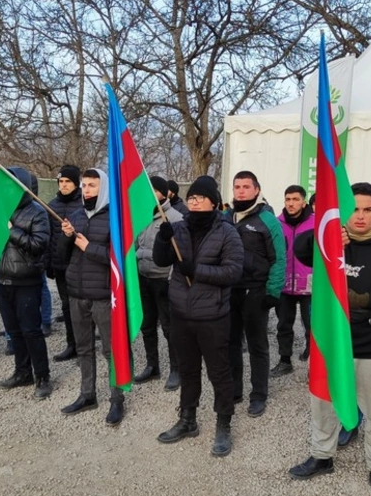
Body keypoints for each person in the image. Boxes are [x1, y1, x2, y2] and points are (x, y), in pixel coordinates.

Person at [288, 182, 371, 496]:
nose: (360, 216)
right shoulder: (333, 241)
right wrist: (324, 238)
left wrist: (361, 300)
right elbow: (301, 252)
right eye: (353, 209)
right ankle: (322, 456)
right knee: (323, 407)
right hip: (332, 346)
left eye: (367, 209)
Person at [154, 175, 243, 456]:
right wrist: (161, 238)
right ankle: (187, 419)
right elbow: (161, 260)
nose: (193, 201)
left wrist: (198, 271)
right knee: (189, 370)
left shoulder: (227, 232)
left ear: (214, 202)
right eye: (190, 197)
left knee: (219, 372)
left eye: (199, 197)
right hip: (181, 313)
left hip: (213, 316)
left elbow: (233, 272)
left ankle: (223, 423)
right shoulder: (178, 227)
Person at [60, 168, 126, 425]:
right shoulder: (75, 214)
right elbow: (63, 255)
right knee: (84, 348)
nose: (86, 190)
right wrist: (66, 238)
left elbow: (118, 258)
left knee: (110, 350)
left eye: (92, 186)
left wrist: (89, 247)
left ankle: (117, 399)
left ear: (104, 189)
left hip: (102, 295)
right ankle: (87, 395)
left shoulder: (114, 218)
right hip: (77, 293)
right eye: (84, 185)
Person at [226, 171, 286, 417]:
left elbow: (279, 258)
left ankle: (259, 394)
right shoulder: (226, 217)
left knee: (257, 345)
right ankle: (234, 389)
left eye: (246, 187)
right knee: (230, 343)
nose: (241, 191)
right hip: (230, 291)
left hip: (256, 291)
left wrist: (273, 290)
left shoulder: (267, 220)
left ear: (257, 190)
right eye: (237, 186)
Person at [0, 167, 52, 400]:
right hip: (1, 279)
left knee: (31, 331)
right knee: (14, 331)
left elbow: (38, 244)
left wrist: (11, 231)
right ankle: (22, 371)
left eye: (11, 185)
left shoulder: (37, 212)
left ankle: (42, 377)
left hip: (26, 281)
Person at [134, 176, 184, 389]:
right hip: (143, 278)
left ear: (164, 193)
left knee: (169, 327)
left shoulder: (175, 218)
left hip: (164, 280)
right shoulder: (141, 216)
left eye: (154, 191)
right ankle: (152, 365)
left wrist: (173, 279)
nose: (150, 195)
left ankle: (176, 369)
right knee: (147, 325)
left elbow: (179, 253)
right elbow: (135, 244)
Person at [271, 185, 314, 377]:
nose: (291, 203)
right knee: (283, 324)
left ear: (304, 202)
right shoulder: (277, 224)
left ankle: (312, 359)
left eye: (295, 199)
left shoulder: (315, 223)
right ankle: (285, 360)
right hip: (285, 283)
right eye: (288, 199)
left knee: (311, 325)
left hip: (310, 285)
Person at [47, 165, 82, 362]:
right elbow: (50, 238)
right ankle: (72, 344)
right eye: (61, 181)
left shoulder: (83, 205)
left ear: (76, 183)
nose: (64, 185)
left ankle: (85, 345)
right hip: (61, 266)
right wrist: (50, 265)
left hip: (80, 265)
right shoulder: (52, 205)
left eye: (68, 181)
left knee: (82, 308)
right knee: (67, 307)